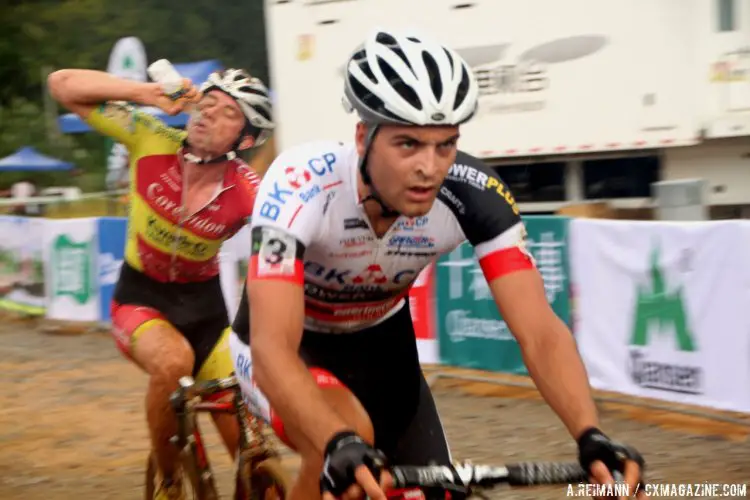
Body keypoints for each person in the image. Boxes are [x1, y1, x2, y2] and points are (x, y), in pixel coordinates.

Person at [228, 29, 646, 500]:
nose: (430, 166)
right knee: (348, 445)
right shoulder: (299, 184)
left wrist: (590, 434)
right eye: (407, 144)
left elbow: (540, 332)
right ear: (363, 136)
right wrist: (336, 442)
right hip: (285, 346)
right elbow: (274, 348)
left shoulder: (474, 194)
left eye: (445, 144)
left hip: (382, 349)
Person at [48, 66, 274, 500]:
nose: (208, 114)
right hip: (141, 300)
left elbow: (292, 242)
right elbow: (62, 86)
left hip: (207, 314)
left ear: (245, 140)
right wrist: (149, 95)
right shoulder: (149, 137)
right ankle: (169, 483)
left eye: (226, 112)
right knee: (173, 363)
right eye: (206, 102)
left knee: (251, 446)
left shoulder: (249, 189)